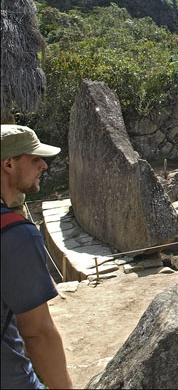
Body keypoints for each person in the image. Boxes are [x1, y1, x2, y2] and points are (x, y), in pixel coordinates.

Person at [1, 124, 73, 389]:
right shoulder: (14, 234)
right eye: (34, 159)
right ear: (8, 163)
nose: (43, 166)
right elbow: (38, 332)